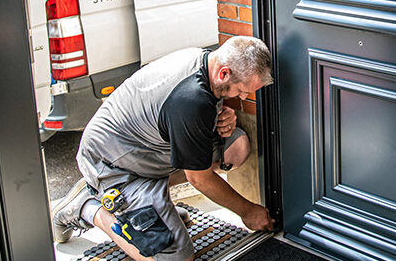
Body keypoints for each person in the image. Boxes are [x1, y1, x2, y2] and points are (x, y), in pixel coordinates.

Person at [51, 36, 275, 261]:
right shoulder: (191, 100)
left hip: (147, 151)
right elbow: (200, 179)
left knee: (236, 147)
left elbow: (177, 121)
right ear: (224, 74)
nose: (244, 97)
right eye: (241, 90)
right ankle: (88, 206)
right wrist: (248, 211)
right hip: (112, 164)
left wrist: (219, 117)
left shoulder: (206, 62)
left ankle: (155, 206)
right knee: (176, 258)